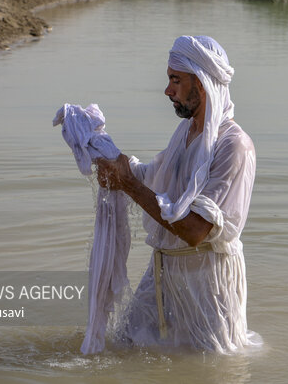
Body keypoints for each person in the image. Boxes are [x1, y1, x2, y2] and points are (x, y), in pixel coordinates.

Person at [95, 35, 260, 353]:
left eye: (175, 80)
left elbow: (196, 230)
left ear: (201, 85)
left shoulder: (233, 146)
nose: (168, 90)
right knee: (125, 347)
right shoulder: (187, 131)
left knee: (208, 365)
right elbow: (157, 180)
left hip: (207, 285)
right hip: (164, 270)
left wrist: (128, 184)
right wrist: (117, 165)